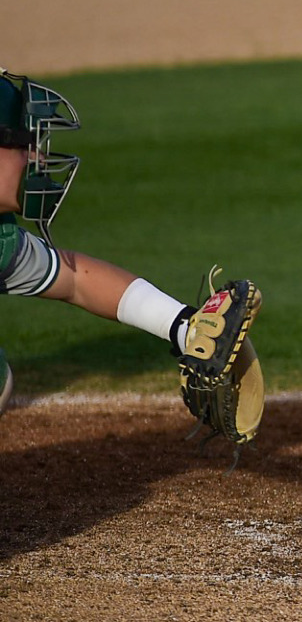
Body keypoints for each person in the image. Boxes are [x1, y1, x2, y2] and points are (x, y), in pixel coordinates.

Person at [0, 68, 260, 419]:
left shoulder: (4, 241)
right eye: (27, 147)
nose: (40, 161)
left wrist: (184, 328)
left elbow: (76, 279)